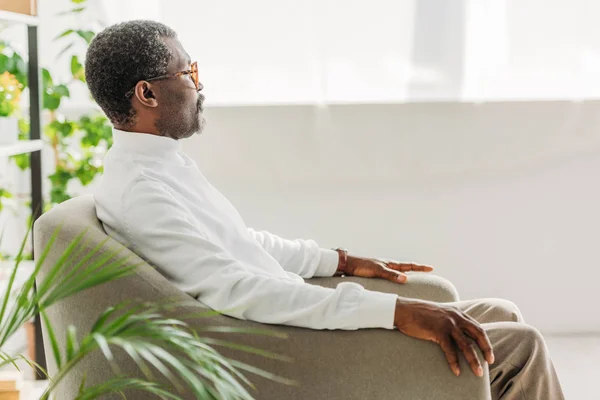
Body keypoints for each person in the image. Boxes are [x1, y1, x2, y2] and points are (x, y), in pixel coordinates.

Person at [86, 20, 564, 399]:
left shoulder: (162, 166)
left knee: (501, 312)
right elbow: (237, 290)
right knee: (521, 347)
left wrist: (340, 261)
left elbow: (240, 243)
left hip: (291, 324)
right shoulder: (140, 191)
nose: (199, 85)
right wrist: (395, 311)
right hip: (290, 351)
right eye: (189, 73)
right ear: (146, 94)